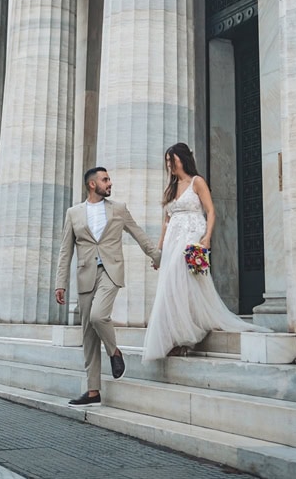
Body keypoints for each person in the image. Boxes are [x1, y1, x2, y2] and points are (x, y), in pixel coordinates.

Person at [143, 143, 265, 361]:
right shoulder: (171, 187)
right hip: (172, 239)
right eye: (168, 161)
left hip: (192, 236)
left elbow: (210, 210)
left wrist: (207, 237)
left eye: (173, 159)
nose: (170, 164)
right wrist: (158, 251)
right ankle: (175, 335)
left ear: (183, 159)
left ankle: (187, 336)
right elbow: (166, 222)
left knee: (180, 280)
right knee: (171, 287)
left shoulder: (197, 182)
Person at [55, 166, 161, 406]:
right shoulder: (74, 213)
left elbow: (139, 234)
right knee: (88, 334)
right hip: (85, 275)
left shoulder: (119, 209)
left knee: (98, 316)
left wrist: (157, 256)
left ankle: (114, 352)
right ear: (92, 184)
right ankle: (93, 391)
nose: (109, 183)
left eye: (109, 179)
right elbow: (65, 251)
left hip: (110, 272)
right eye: (105, 179)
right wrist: (60, 283)